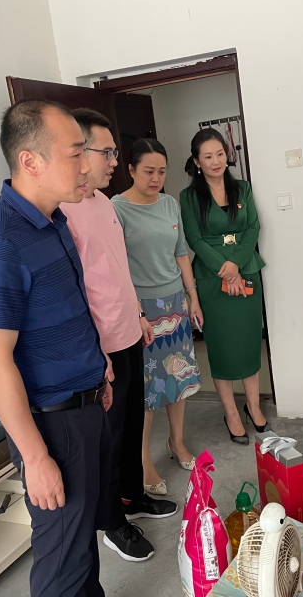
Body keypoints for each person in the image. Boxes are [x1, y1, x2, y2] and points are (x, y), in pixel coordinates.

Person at [0, 99, 112, 597]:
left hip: (84, 405)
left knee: (81, 542)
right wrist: (36, 457)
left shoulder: (54, 221)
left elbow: (65, 310)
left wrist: (97, 372)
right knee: (61, 560)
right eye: (76, 153)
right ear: (31, 161)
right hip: (52, 424)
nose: (86, 165)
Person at [63, 108, 177, 563]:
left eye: (114, 152)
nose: (114, 161)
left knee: (131, 427)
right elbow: (74, 291)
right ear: (78, 151)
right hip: (102, 346)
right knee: (107, 439)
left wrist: (138, 315)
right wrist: (95, 352)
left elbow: (116, 269)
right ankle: (111, 521)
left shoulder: (103, 204)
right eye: (107, 152)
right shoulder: (64, 213)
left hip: (129, 331)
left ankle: (133, 496)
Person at [111, 139, 202, 495]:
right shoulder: (116, 208)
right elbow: (117, 268)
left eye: (161, 172)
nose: (156, 178)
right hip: (142, 309)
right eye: (148, 171)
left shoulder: (169, 204)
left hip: (174, 302)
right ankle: (143, 457)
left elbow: (181, 253)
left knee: (178, 379)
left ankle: (176, 442)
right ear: (130, 170)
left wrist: (192, 297)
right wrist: (135, 311)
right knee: (146, 389)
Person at [179, 128, 269, 445]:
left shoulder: (243, 188)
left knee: (248, 342)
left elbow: (253, 227)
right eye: (208, 156)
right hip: (211, 278)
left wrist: (236, 266)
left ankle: (253, 407)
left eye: (220, 154)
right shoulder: (189, 197)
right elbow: (194, 239)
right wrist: (225, 270)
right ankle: (231, 413)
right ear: (197, 162)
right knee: (221, 347)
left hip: (246, 271)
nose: (216, 161)